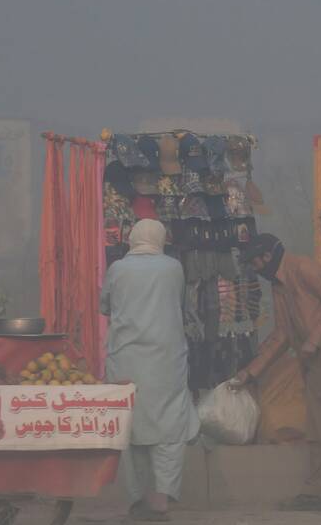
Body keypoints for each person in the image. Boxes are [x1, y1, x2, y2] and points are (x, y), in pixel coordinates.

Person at [230, 234, 321, 513]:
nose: (256, 267)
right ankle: (313, 494)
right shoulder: (279, 285)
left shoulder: (302, 267)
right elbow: (283, 333)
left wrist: (312, 342)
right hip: (317, 360)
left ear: (266, 256)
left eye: (255, 260)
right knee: (318, 426)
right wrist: (250, 373)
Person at [101, 219, 200, 522]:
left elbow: (105, 306)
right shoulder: (173, 268)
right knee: (168, 426)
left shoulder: (117, 269)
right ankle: (161, 498)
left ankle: (138, 496)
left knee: (133, 427)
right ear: (160, 238)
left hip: (127, 360)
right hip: (166, 360)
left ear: (132, 238)